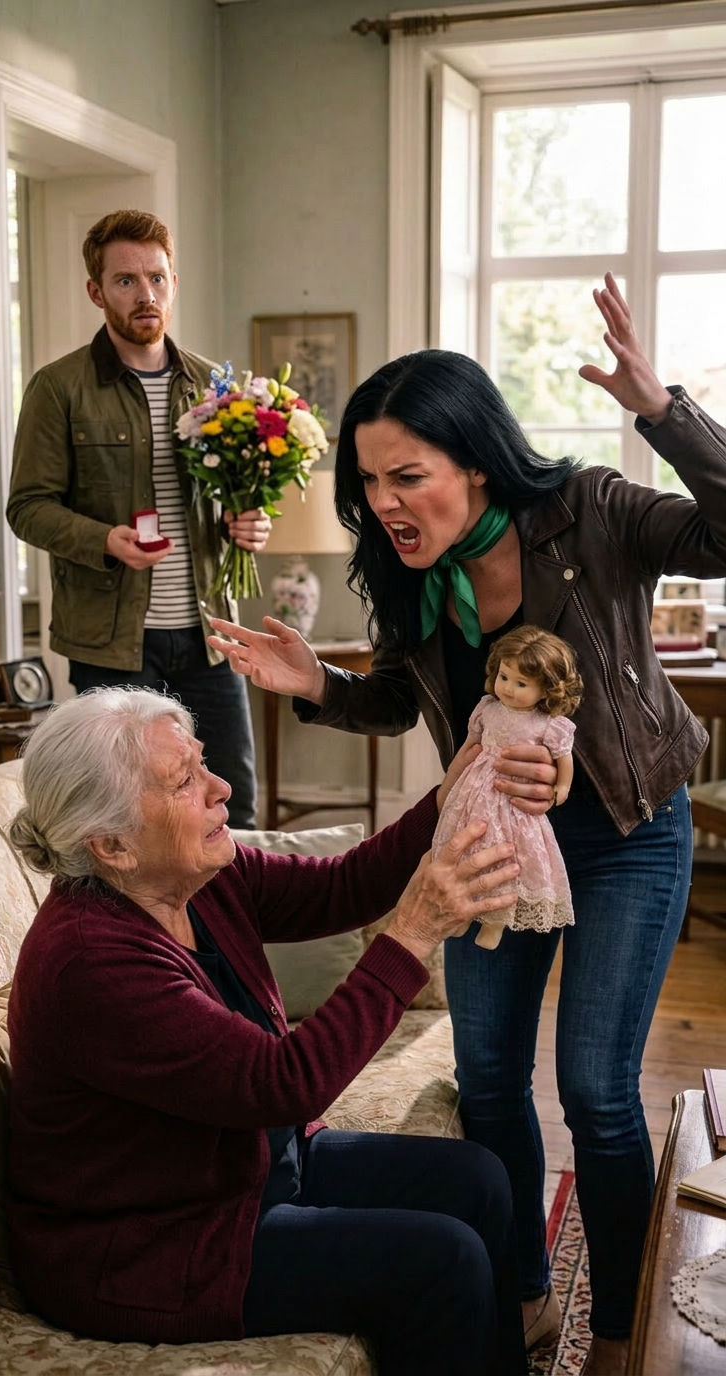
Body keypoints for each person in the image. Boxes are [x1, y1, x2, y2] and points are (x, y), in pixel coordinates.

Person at [206, 274, 726, 1376]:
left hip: (628, 833)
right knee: (489, 1076)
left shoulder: (593, 509)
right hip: (493, 842)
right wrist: (318, 681)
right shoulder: (413, 574)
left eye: (409, 475)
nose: (385, 499)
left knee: (593, 1086)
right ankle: (526, 1296)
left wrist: (664, 409)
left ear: (475, 462)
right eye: (368, 479)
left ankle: (621, 1334)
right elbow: (400, 699)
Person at [6, 686, 527, 1376]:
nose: (221, 787)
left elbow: (343, 887)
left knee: (479, 1179)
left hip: (239, 1170)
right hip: (153, 1244)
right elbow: (282, 1085)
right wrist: (414, 931)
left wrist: (446, 798)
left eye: (202, 762)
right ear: (112, 845)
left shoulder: (196, 874)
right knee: (443, 1260)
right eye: (185, 780)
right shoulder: (89, 960)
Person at [6, 209, 270, 828]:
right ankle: (142, 931)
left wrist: (249, 526)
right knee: (126, 817)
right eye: (126, 281)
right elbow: (27, 508)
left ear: (174, 282)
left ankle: (228, 930)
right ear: (96, 291)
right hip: (111, 644)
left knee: (235, 806)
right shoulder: (58, 388)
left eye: (156, 277)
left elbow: (234, 496)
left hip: (210, 638)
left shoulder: (215, 386)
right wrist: (105, 541)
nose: (145, 294)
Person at [433, 624, 582, 951]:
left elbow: (563, 759)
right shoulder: (488, 708)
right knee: (466, 851)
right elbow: (469, 746)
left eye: (521, 684)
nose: (509, 689)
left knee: (507, 860)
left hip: (514, 802)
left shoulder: (548, 724)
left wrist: (563, 786)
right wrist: (452, 781)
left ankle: (496, 921)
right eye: (504, 677)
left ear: (547, 690)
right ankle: (460, 915)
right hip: (475, 792)